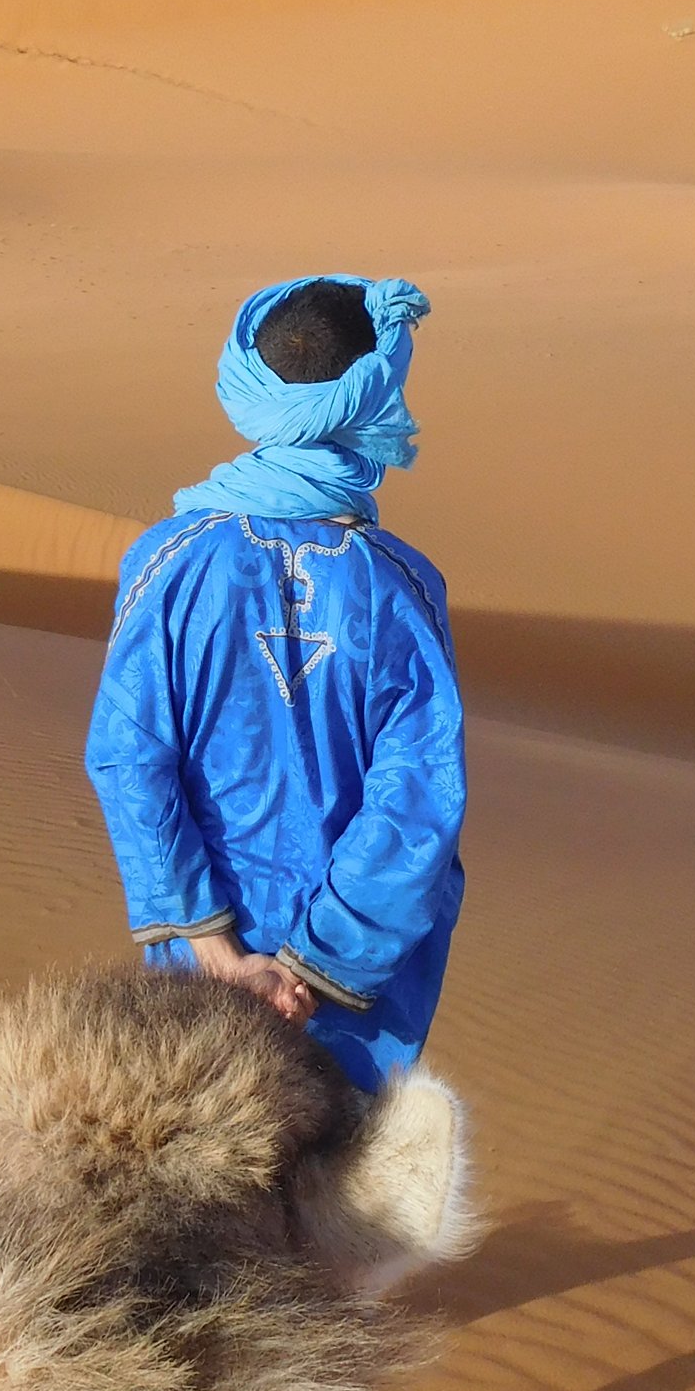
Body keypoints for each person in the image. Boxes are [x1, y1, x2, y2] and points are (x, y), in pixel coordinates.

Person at [84, 273, 465, 1093]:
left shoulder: (167, 562)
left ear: (246, 386)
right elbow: (417, 802)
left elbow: (128, 758)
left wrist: (216, 953)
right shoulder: (401, 587)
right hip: (351, 990)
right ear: (374, 392)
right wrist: (311, 972)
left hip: (199, 974)